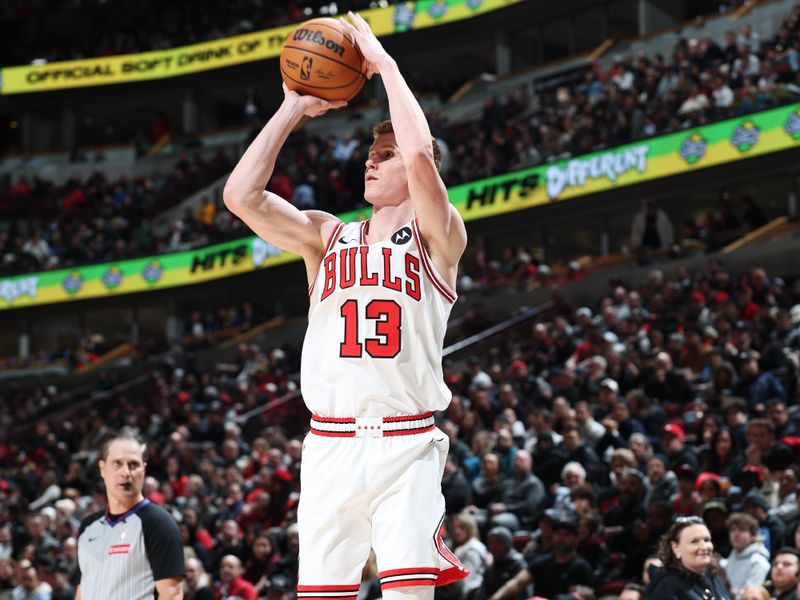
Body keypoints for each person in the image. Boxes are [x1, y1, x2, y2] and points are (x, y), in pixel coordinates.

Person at [223, 11, 468, 599]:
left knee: (409, 592)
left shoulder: (441, 236)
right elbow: (241, 196)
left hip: (405, 442)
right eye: (369, 150)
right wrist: (292, 108)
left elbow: (419, 158)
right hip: (330, 442)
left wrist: (383, 66)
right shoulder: (327, 236)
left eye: (383, 153)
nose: (370, 159)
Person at [75, 433, 185, 600]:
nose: (125, 472)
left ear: (144, 469)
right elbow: (82, 589)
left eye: (133, 465)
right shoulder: (87, 527)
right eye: (117, 464)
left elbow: (172, 594)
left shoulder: (159, 523)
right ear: (103, 469)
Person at [644, 516, 732, 600]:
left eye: (706, 540)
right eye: (694, 541)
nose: (704, 547)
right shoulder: (667, 587)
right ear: (675, 548)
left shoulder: (714, 577)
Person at [721, 512, 770, 599]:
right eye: (733, 530)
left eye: (742, 530)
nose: (736, 534)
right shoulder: (734, 554)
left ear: (753, 535)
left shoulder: (758, 561)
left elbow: (750, 597)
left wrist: (734, 592)